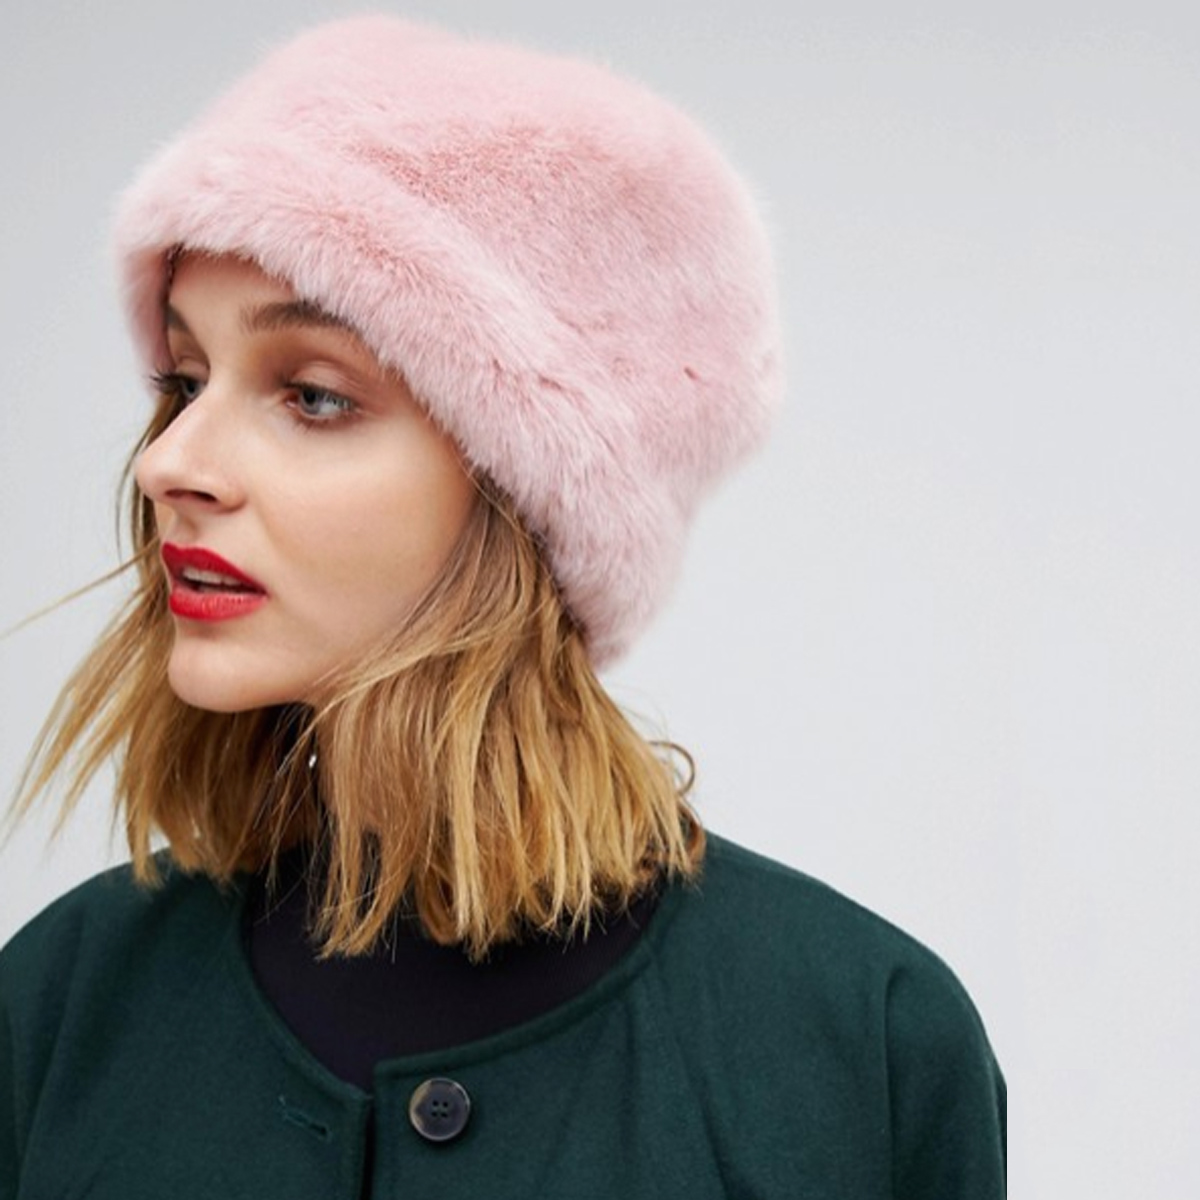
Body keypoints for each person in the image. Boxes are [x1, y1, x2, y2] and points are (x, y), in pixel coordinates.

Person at [0, 15, 1006, 1198]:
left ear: (528, 493)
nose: (169, 461)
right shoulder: (57, 1006)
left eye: (312, 395)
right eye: (184, 380)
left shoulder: (862, 1046)